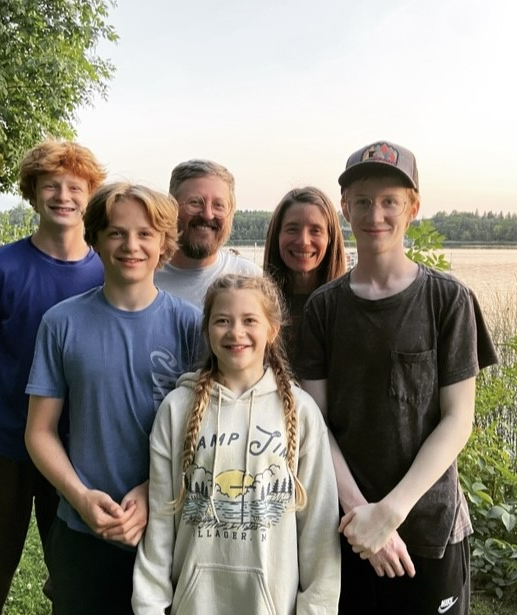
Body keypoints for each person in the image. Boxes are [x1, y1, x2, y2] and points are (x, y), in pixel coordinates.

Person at [296, 141, 498, 615]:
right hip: (345, 529)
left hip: (429, 528)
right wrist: (359, 513)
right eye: (362, 202)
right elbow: (314, 423)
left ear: (413, 207)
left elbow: (457, 421)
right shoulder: (324, 308)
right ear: (345, 208)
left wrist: (390, 513)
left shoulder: (449, 300)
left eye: (390, 201)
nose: (375, 214)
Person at [0, 139, 106, 615]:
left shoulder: (108, 271)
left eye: (75, 186)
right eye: (50, 185)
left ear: (91, 194)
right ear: (32, 194)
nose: (63, 196)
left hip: (75, 451)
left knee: (73, 583)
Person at [25, 182, 204, 614]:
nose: (131, 245)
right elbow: (40, 432)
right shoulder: (61, 323)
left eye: (145, 233)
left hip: (172, 531)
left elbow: (207, 433)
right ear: (96, 240)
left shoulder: (192, 326)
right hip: (85, 531)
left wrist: (152, 491)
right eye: (117, 233)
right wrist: (80, 498)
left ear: (164, 243)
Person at [132, 274, 341, 615]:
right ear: (207, 330)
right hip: (194, 604)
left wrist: (316, 608)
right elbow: (160, 520)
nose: (235, 332)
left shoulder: (302, 413)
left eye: (249, 321)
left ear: (272, 329)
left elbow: (318, 527)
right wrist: (150, 605)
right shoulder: (176, 409)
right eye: (222, 321)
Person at [154, 159, 260, 307]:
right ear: (171, 208)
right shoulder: (144, 276)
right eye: (195, 202)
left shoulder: (249, 277)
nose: (208, 214)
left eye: (218, 205)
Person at [262, 187, 347, 366]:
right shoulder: (259, 305)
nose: (303, 241)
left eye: (315, 230)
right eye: (292, 229)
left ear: (330, 238)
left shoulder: (348, 304)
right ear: (277, 236)